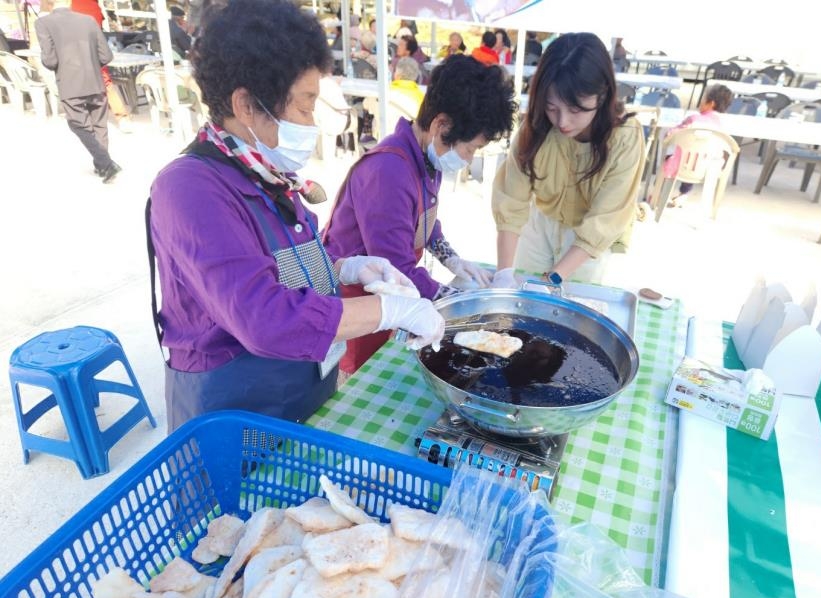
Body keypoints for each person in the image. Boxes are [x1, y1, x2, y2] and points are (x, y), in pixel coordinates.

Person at [147, 0, 444, 432]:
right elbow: (264, 318)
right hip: (234, 409)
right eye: (304, 107)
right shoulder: (190, 190)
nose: (311, 123)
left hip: (299, 390)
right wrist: (389, 310)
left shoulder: (266, 172)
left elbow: (287, 267)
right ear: (247, 105)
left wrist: (347, 268)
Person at [323, 54, 517, 374]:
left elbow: (425, 222)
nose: (468, 160)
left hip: (391, 291)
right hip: (358, 301)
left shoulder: (427, 158)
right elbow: (396, 267)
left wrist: (452, 259)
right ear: (441, 125)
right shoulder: (389, 171)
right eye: (470, 149)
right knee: (366, 379)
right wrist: (460, 304)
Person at [491, 32, 645, 286]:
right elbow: (512, 202)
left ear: (603, 95)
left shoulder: (625, 137)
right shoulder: (535, 127)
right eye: (552, 107)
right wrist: (503, 274)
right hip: (539, 224)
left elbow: (605, 219)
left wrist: (553, 278)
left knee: (575, 305)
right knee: (523, 299)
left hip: (588, 241)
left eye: (575, 109)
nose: (562, 122)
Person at [36, 0, 121, 182]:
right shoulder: (89, 20)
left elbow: (50, 61)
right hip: (95, 82)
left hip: (70, 83)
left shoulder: (43, 23)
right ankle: (102, 166)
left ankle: (106, 164)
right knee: (99, 125)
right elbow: (106, 55)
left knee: (78, 125)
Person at [661, 83, 733, 208]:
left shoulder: (693, 119)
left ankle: (661, 194)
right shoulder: (725, 125)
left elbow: (671, 135)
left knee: (673, 157)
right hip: (709, 168)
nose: (700, 103)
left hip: (682, 166)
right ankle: (684, 194)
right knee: (698, 157)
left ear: (711, 103)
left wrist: (668, 134)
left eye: (703, 99)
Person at [70, 0, 133, 133]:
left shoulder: (81, 7)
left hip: (82, 43)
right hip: (86, 41)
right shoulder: (87, 7)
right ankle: (120, 117)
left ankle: (118, 116)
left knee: (101, 81)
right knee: (103, 81)